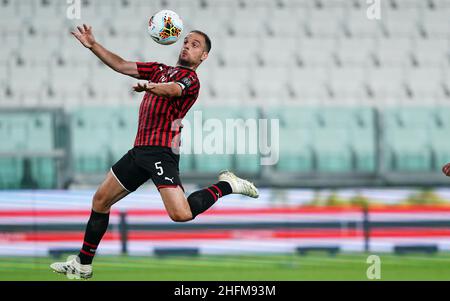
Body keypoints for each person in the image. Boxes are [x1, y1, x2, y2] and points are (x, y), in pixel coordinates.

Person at [50, 24, 259, 279]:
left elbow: (173, 90)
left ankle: (227, 185)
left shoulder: (191, 80)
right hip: (139, 151)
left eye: (195, 45)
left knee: (181, 214)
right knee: (100, 201)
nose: (187, 46)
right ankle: (83, 263)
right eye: (186, 41)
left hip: (162, 152)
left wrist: (149, 87)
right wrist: (93, 45)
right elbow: (121, 65)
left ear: (203, 56)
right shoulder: (160, 69)